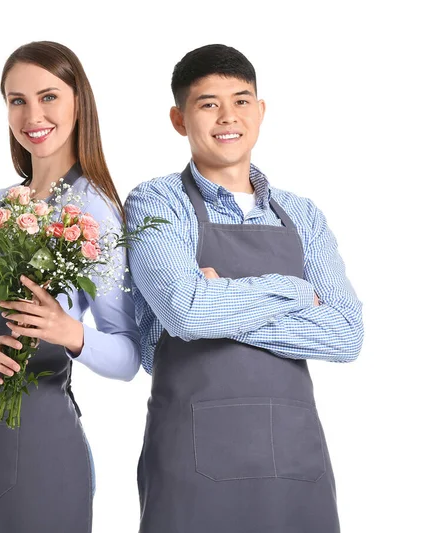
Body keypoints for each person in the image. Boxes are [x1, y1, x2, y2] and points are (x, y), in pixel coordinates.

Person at [125, 44, 364, 533]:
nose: (227, 117)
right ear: (179, 118)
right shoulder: (155, 201)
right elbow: (186, 313)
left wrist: (222, 301)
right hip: (190, 461)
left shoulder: (302, 214)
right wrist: (295, 291)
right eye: (208, 103)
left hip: (295, 462)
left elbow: (344, 335)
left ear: (260, 111)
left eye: (241, 100)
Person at [0, 41, 140, 533]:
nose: (32, 114)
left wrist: (69, 332)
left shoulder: (96, 213)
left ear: (78, 103)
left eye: (49, 96)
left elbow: (129, 357)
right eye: (17, 100)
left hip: (44, 448)